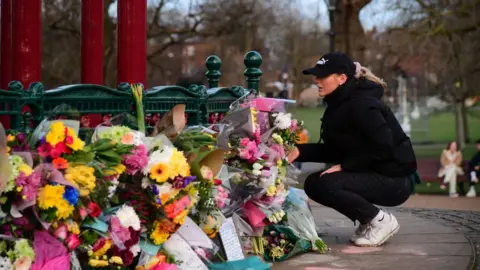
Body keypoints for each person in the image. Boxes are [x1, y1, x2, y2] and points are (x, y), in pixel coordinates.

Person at [287, 52, 418, 247]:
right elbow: (336, 150)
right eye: (316, 75)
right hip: (375, 171)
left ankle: (380, 221)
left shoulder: (361, 103)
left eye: (322, 76)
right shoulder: (339, 103)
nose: (316, 80)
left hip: (395, 179)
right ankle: (369, 221)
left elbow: (383, 144)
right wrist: (299, 151)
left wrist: (347, 166)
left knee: (327, 184)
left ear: (342, 78)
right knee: (314, 183)